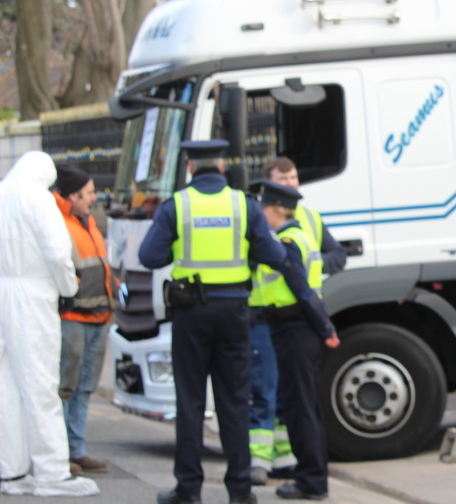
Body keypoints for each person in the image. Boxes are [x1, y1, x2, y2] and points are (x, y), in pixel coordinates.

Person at [138, 140, 319, 504]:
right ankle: (239, 491)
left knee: (189, 402)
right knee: (234, 402)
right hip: (235, 313)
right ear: (222, 166)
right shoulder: (244, 205)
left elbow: (149, 256)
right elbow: (274, 254)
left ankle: (188, 489)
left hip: (191, 315)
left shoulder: (178, 206)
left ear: (190, 166)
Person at [0, 151, 99, 497]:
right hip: (33, 295)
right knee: (42, 384)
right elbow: (58, 252)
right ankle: (52, 470)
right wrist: (68, 287)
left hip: (3, 293)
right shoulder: (38, 199)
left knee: (7, 387)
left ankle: (11, 470)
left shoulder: (2, 194)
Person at [249, 157, 346, 485]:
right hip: (296, 327)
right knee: (304, 405)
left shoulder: (289, 242)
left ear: (276, 209)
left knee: (300, 407)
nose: (260, 214)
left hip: (295, 327)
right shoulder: (299, 237)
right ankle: (310, 475)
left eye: (264, 208)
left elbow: (302, 291)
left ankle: (311, 480)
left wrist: (326, 329)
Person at [54, 163, 115, 477]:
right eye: (89, 193)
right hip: (74, 316)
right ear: (73, 196)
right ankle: (61, 450)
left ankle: (76, 449)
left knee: (84, 386)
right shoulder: (60, 224)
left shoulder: (88, 221)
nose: (94, 197)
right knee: (67, 385)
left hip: (97, 315)